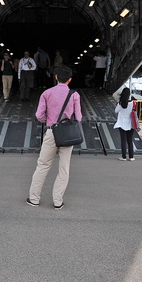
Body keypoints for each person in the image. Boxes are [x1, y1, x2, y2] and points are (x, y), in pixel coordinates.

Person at [27, 65, 81, 209]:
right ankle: (58, 201)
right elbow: (79, 117)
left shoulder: (47, 93)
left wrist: (50, 121)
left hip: (52, 132)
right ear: (70, 80)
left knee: (43, 165)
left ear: (56, 77)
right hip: (67, 135)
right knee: (64, 168)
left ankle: (34, 199)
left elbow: (39, 115)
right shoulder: (74, 95)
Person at [113, 87, 136, 161]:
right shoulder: (133, 103)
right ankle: (131, 157)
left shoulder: (121, 103)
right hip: (130, 124)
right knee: (130, 140)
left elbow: (116, 111)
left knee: (123, 141)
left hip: (122, 124)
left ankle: (123, 157)